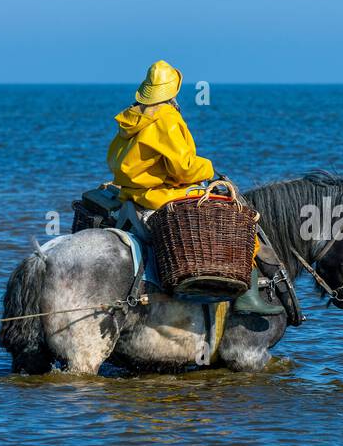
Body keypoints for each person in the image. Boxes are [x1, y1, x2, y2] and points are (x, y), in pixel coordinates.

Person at [106, 60, 281, 316]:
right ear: (172, 91)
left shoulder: (132, 116)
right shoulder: (167, 118)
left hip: (133, 192)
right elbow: (183, 168)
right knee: (232, 213)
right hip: (160, 194)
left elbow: (117, 160)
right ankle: (248, 295)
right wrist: (208, 169)